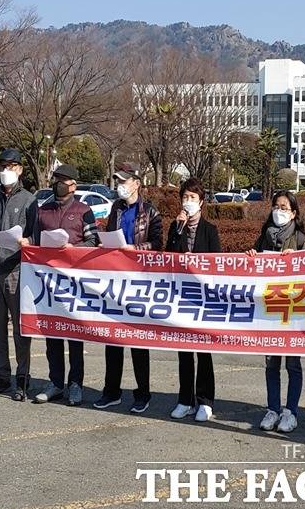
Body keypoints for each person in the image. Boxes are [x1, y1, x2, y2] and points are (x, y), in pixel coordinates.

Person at [28, 164, 98, 407]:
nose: (58, 183)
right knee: (52, 334)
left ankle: (75, 384)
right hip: (47, 282)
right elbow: (34, 240)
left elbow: (94, 240)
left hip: (74, 283)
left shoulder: (84, 210)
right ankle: (55, 382)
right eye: (56, 179)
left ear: (73, 185)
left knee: (74, 335)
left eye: (63, 180)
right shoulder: (43, 210)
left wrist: (73, 249)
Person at [93, 169, 163, 414]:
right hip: (116, 281)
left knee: (138, 341)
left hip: (140, 282)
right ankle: (111, 391)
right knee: (112, 338)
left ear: (136, 184)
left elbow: (157, 244)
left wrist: (134, 247)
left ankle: (142, 394)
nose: (120, 186)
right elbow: (112, 235)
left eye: (123, 182)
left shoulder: (150, 212)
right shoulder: (116, 208)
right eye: (117, 182)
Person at [246, 190, 305, 433]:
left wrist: (300, 258)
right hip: (269, 312)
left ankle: (290, 412)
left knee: (293, 365)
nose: (279, 211)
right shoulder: (264, 237)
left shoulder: (301, 240)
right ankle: (272, 409)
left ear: (293, 213)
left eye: (284, 207)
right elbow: (251, 271)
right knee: (271, 364)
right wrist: (251, 257)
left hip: (292, 314)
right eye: (276, 206)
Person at [0, 149, 38, 401]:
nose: (6, 171)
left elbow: (37, 236)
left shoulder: (30, 200)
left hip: (18, 269)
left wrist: (26, 241)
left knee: (20, 329)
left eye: (11, 166)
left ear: (20, 169)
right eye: (2, 166)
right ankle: (1, 375)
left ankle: (22, 377)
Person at [166, 178, 220, 423]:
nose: (188, 202)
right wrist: (178, 229)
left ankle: (205, 401)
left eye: (193, 198)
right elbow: (167, 256)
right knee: (184, 352)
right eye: (185, 198)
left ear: (201, 202)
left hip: (202, 299)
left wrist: (196, 261)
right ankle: (184, 399)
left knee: (203, 351)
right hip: (180, 297)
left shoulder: (210, 230)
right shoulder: (175, 226)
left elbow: (217, 262)